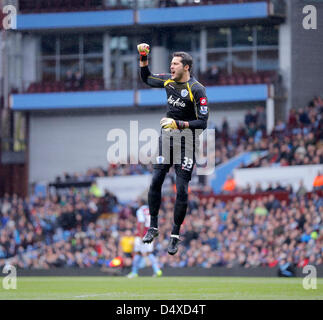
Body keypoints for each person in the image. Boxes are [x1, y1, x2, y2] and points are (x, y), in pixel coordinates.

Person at [137, 43, 209, 255]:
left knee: (182, 189)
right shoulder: (168, 81)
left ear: (186, 67)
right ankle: (153, 226)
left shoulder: (197, 89)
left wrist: (179, 124)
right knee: (156, 180)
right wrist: (143, 56)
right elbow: (147, 78)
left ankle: (175, 236)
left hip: (187, 141)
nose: (171, 67)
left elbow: (203, 122)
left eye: (175, 64)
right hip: (167, 139)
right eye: (171, 63)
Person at [127, 199, 162, 278]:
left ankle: (134, 272)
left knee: (138, 252)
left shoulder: (140, 210)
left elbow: (142, 222)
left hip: (143, 233)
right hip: (150, 232)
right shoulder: (150, 209)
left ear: (140, 203)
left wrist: (141, 235)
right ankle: (157, 270)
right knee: (147, 252)